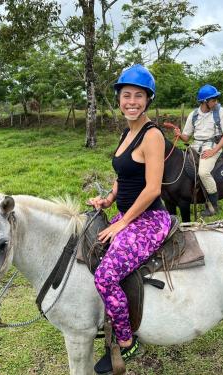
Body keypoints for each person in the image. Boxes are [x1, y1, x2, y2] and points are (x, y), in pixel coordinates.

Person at [88, 64, 171, 374]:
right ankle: (114, 315)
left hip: (148, 220)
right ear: (119, 98)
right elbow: (123, 175)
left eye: (138, 96)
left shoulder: (152, 136)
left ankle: (126, 342)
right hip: (127, 214)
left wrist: (123, 222)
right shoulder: (128, 131)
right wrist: (108, 199)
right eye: (126, 95)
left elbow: (151, 189)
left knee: (105, 276)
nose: (132, 101)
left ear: (147, 100)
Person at [174, 84, 223, 216]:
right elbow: (186, 137)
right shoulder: (194, 114)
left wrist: (214, 150)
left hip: (212, 146)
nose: (216, 102)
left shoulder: (221, 112)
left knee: (203, 172)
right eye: (213, 99)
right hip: (195, 147)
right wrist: (179, 134)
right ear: (204, 101)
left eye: (216, 99)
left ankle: (213, 206)